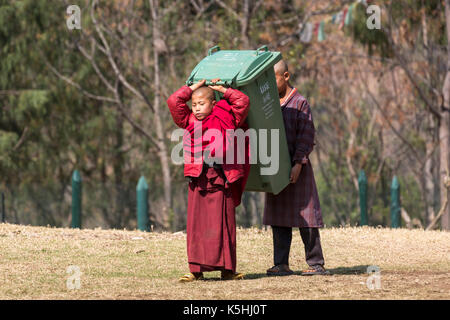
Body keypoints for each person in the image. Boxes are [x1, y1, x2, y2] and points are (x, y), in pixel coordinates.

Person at [166, 78, 251, 282]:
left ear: (213, 103)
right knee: (197, 225)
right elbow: (173, 101)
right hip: (199, 178)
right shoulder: (188, 121)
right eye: (193, 104)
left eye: (201, 103)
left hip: (222, 177)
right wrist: (193, 88)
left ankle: (227, 270)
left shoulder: (226, 116)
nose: (196, 108)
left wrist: (223, 89)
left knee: (225, 224)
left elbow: (243, 101)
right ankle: (195, 270)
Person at [263, 60, 329, 276]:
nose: (271, 85)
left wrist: (298, 163)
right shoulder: (268, 104)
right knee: (278, 216)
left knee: (307, 217)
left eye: (274, 78)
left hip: (299, 167)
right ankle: (281, 263)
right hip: (277, 168)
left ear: (286, 76)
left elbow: (307, 135)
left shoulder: (300, 102)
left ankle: (315, 263)